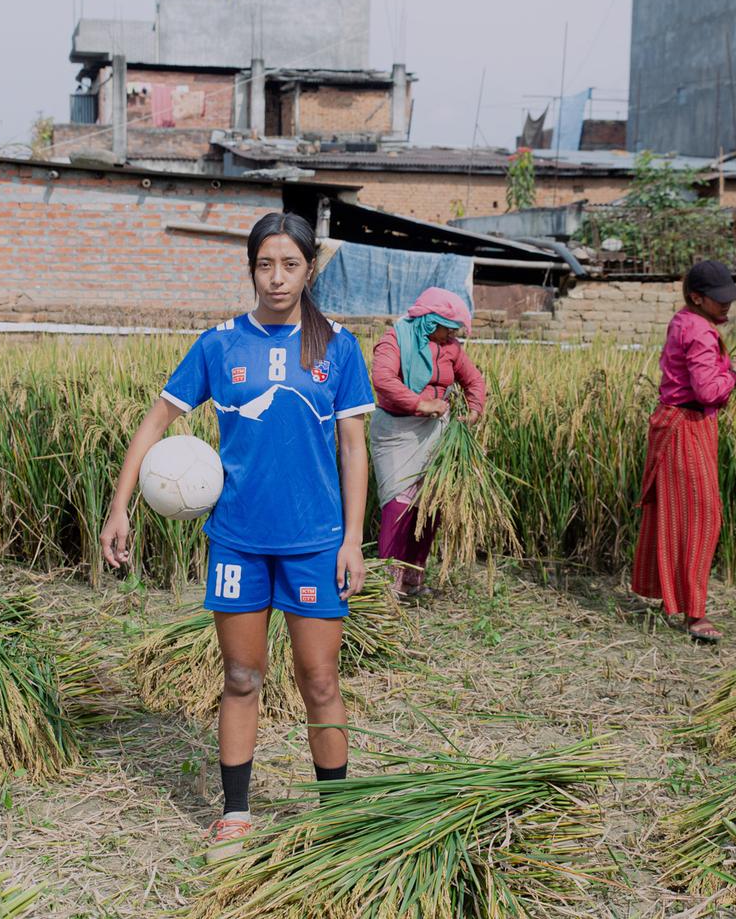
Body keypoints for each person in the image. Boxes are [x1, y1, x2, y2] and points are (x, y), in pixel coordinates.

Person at [99, 211, 374, 861]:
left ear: (309, 270)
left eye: (290, 264)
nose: (277, 278)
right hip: (239, 542)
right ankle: (237, 813)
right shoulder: (220, 345)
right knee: (243, 676)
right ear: (251, 268)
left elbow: (354, 447)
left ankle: (334, 818)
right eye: (264, 264)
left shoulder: (338, 347)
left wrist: (353, 538)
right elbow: (156, 420)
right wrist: (119, 504)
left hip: (313, 540)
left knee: (320, 680)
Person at [631, 261, 736, 643]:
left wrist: (726, 366)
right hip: (686, 427)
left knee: (679, 515)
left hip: (683, 424)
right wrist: (735, 373)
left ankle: (676, 599)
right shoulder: (700, 330)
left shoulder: (686, 320)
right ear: (697, 297)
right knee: (702, 519)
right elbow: (709, 391)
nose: (727, 305)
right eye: (720, 300)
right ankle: (695, 615)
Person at [370, 287, 485, 596]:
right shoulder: (394, 339)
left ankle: (413, 578)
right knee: (398, 502)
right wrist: (420, 404)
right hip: (396, 431)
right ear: (430, 321)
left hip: (434, 432)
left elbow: (473, 379)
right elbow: (382, 380)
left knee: (429, 503)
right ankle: (387, 584)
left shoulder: (452, 348)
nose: (451, 334)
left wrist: (474, 410)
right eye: (447, 328)